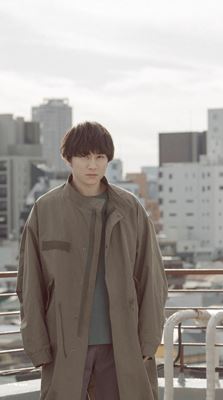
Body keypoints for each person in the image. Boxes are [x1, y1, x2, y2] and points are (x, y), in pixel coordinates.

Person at [17, 121, 168, 400]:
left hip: (123, 346)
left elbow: (153, 279)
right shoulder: (45, 210)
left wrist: (148, 342)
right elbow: (30, 285)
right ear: (68, 158)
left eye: (100, 157)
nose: (92, 165)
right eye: (84, 156)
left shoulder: (130, 208)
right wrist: (37, 348)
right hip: (63, 346)